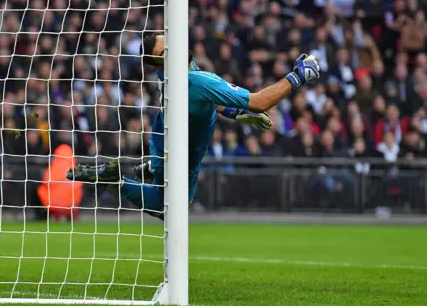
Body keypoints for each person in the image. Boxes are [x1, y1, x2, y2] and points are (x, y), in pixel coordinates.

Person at [67, 32, 321, 219]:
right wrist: (298, 76)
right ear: (162, 61)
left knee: (167, 200)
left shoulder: (169, 71)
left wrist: (236, 113)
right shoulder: (197, 82)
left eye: (167, 38)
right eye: (165, 48)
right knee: (171, 210)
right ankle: (119, 181)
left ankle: (151, 169)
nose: (172, 43)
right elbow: (259, 101)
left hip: (163, 134)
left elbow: (214, 103)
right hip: (183, 153)